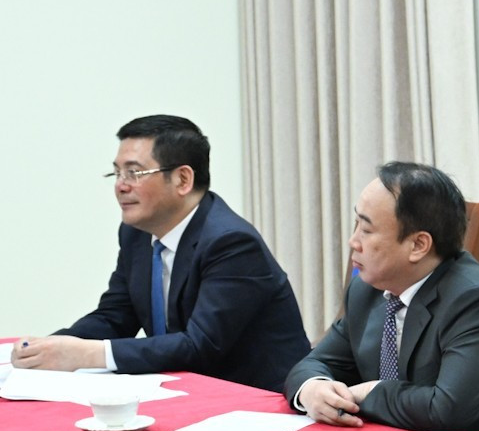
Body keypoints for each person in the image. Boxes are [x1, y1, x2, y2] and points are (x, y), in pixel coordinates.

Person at [13, 115, 307, 390]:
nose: (120, 186)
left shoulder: (231, 243)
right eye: (116, 173)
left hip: (259, 403)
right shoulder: (136, 235)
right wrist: (50, 348)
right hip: (188, 394)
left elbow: (199, 346)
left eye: (134, 172)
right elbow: (115, 317)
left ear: (182, 179)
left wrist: (86, 354)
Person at [284, 162, 479, 431]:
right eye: (356, 224)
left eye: (367, 229)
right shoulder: (367, 290)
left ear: (418, 245)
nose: (353, 241)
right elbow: (312, 363)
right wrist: (313, 389)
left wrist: (368, 392)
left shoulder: (475, 300)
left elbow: (446, 409)